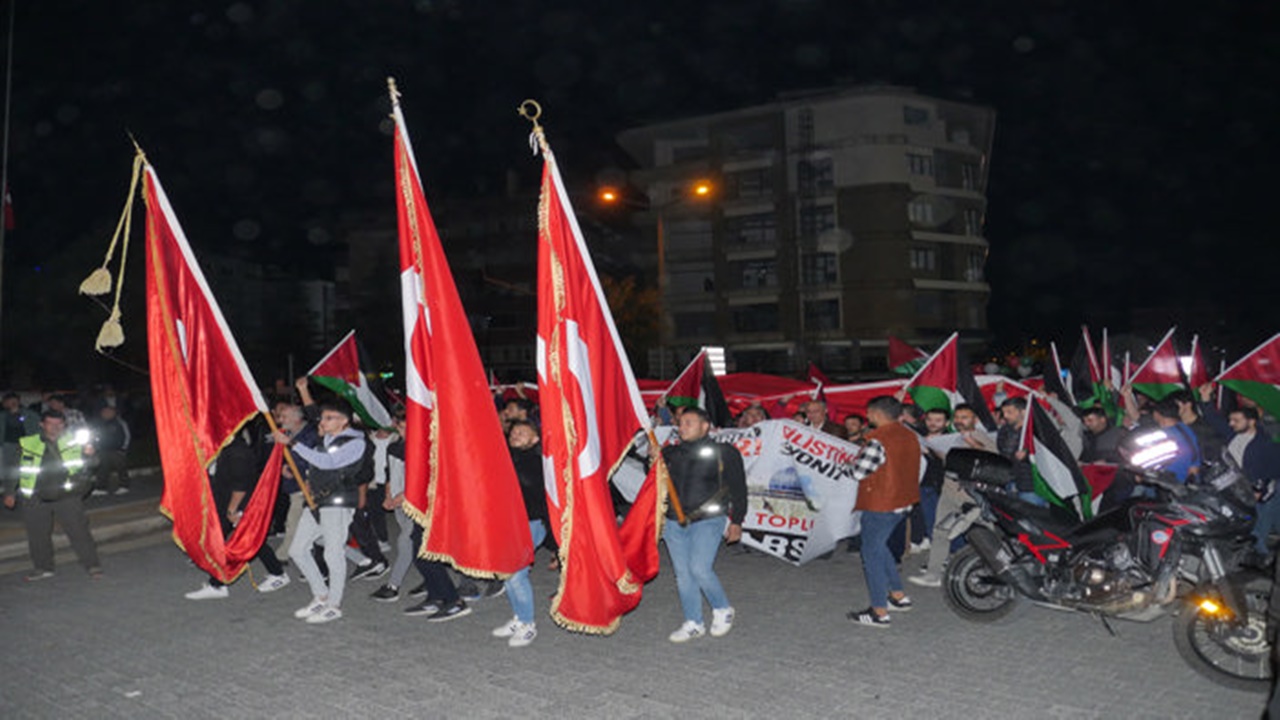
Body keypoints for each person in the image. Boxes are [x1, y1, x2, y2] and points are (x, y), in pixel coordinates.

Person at [273, 400, 367, 624]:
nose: (322, 422)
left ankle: (334, 604)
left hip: (338, 502)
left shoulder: (356, 443)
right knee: (298, 549)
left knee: (332, 553)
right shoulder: (327, 438)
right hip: (317, 501)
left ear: (343, 421)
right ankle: (321, 595)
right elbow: (317, 467)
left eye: (328, 418)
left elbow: (328, 463)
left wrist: (294, 444)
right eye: (323, 418)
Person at [662, 407, 747, 643]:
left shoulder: (724, 452)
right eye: (680, 423)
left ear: (705, 426)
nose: (682, 427)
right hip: (674, 521)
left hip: (708, 520)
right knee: (683, 575)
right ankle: (693, 622)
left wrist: (737, 521)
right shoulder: (670, 453)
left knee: (699, 568)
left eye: (689, 422)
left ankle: (722, 608)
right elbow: (656, 482)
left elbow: (739, 489)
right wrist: (653, 458)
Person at [184, 423, 291, 599]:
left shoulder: (237, 453)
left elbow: (240, 487)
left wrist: (232, 510)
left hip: (237, 505)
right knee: (243, 541)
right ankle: (220, 583)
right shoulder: (225, 449)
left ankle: (220, 584)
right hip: (226, 503)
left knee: (249, 542)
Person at [845, 395, 920, 628]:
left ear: (876, 414)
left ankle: (879, 611)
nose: (867, 417)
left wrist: (846, 464)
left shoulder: (878, 439)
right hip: (903, 500)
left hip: (881, 503)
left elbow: (859, 472)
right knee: (880, 547)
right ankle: (897, 596)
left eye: (869, 413)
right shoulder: (909, 435)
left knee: (871, 555)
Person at [3, 409, 102, 580]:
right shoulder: (28, 443)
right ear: (42, 424)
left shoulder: (74, 442)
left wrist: (90, 454)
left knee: (79, 531)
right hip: (35, 496)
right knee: (37, 535)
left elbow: (93, 464)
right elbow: (14, 468)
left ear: (64, 425)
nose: (55, 427)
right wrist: (9, 492)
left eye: (59, 424)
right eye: (51, 423)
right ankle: (43, 568)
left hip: (67, 494)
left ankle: (92, 565)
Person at [1199, 385, 1280, 553]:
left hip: (1261, 490)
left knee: (1261, 523)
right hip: (1238, 488)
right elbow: (1213, 419)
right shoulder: (1233, 435)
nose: (1231, 423)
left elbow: (1274, 471)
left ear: (1251, 422)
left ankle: (1260, 554)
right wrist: (1205, 398)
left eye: (1236, 420)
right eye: (1230, 420)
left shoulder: (1267, 444)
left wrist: (1261, 488)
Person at [491, 420, 549, 647]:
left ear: (535, 439)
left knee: (516, 573)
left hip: (532, 522)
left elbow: (529, 483)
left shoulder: (538, 461)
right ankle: (518, 617)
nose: (515, 435)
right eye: (513, 432)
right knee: (507, 572)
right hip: (510, 523)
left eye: (522, 433)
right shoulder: (508, 457)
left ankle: (528, 624)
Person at [996, 397, 1046, 506]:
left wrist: (1027, 456)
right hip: (1012, 481)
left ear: (1023, 412)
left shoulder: (1037, 429)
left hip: (1032, 485)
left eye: (1010, 412)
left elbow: (1044, 454)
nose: (1005, 416)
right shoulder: (1005, 430)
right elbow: (1004, 451)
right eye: (1004, 412)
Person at [90, 405, 131, 495]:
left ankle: (124, 486)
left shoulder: (119, 422)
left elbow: (127, 435)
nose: (106, 413)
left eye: (108, 411)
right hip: (103, 450)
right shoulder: (99, 423)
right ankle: (101, 488)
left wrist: (123, 448)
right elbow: (95, 435)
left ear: (114, 412)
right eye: (104, 412)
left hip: (117, 450)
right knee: (102, 469)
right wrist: (96, 447)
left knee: (121, 468)